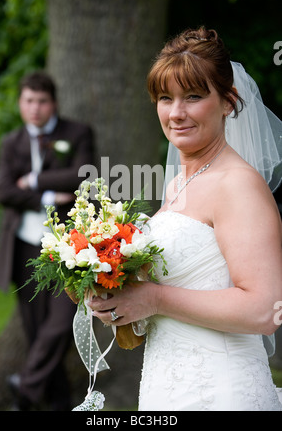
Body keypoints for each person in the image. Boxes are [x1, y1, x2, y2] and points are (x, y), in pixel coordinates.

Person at [88, 27, 282, 411]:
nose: (176, 113)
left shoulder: (238, 184)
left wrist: (154, 298)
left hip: (221, 390)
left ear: (228, 102)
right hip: (166, 384)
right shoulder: (179, 183)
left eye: (193, 97)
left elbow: (264, 310)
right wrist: (114, 290)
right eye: (165, 98)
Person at [0, 71, 94, 410]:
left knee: (60, 324)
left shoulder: (77, 133)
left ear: (54, 103)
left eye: (42, 101)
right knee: (37, 331)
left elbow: (82, 175)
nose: (35, 108)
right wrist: (49, 195)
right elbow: (3, 190)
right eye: (29, 101)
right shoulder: (11, 143)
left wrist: (35, 179)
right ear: (21, 104)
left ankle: (26, 388)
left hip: (68, 247)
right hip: (23, 245)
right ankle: (58, 402)